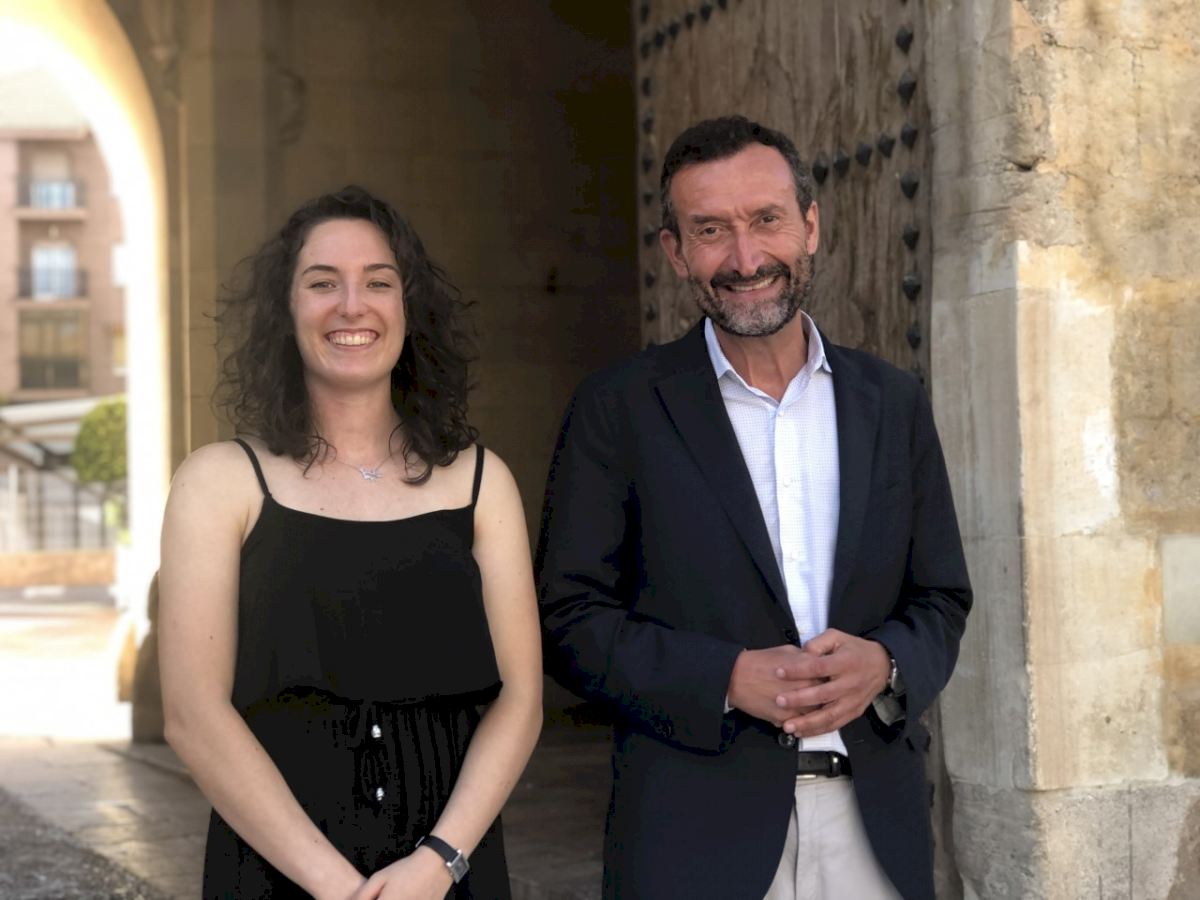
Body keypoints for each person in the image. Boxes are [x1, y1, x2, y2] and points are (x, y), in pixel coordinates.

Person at [536, 117, 972, 899]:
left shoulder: (892, 402)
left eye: (767, 220)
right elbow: (567, 620)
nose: (745, 259)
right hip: (690, 840)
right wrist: (725, 677)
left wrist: (886, 664)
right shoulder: (617, 409)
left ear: (811, 226)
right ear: (675, 252)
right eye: (711, 231)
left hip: (874, 831)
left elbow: (941, 597)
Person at [159, 185, 542, 899]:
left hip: (447, 876)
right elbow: (192, 716)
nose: (352, 305)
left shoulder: (481, 481)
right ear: (285, 310)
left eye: (378, 282)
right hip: (276, 874)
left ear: (409, 307)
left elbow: (521, 700)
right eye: (322, 283)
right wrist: (338, 889)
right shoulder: (218, 483)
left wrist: (439, 863)